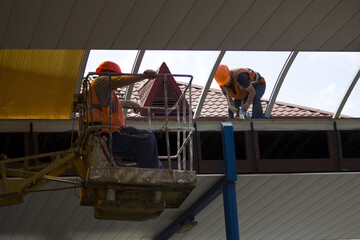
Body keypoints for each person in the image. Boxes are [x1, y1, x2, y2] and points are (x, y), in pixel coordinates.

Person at [88, 61, 164, 169]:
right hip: (106, 135)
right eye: (117, 77)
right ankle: (154, 175)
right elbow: (121, 81)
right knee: (147, 137)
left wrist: (130, 103)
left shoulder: (103, 90)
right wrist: (144, 76)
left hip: (108, 134)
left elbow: (112, 105)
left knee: (146, 152)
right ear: (111, 75)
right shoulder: (101, 81)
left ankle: (157, 173)